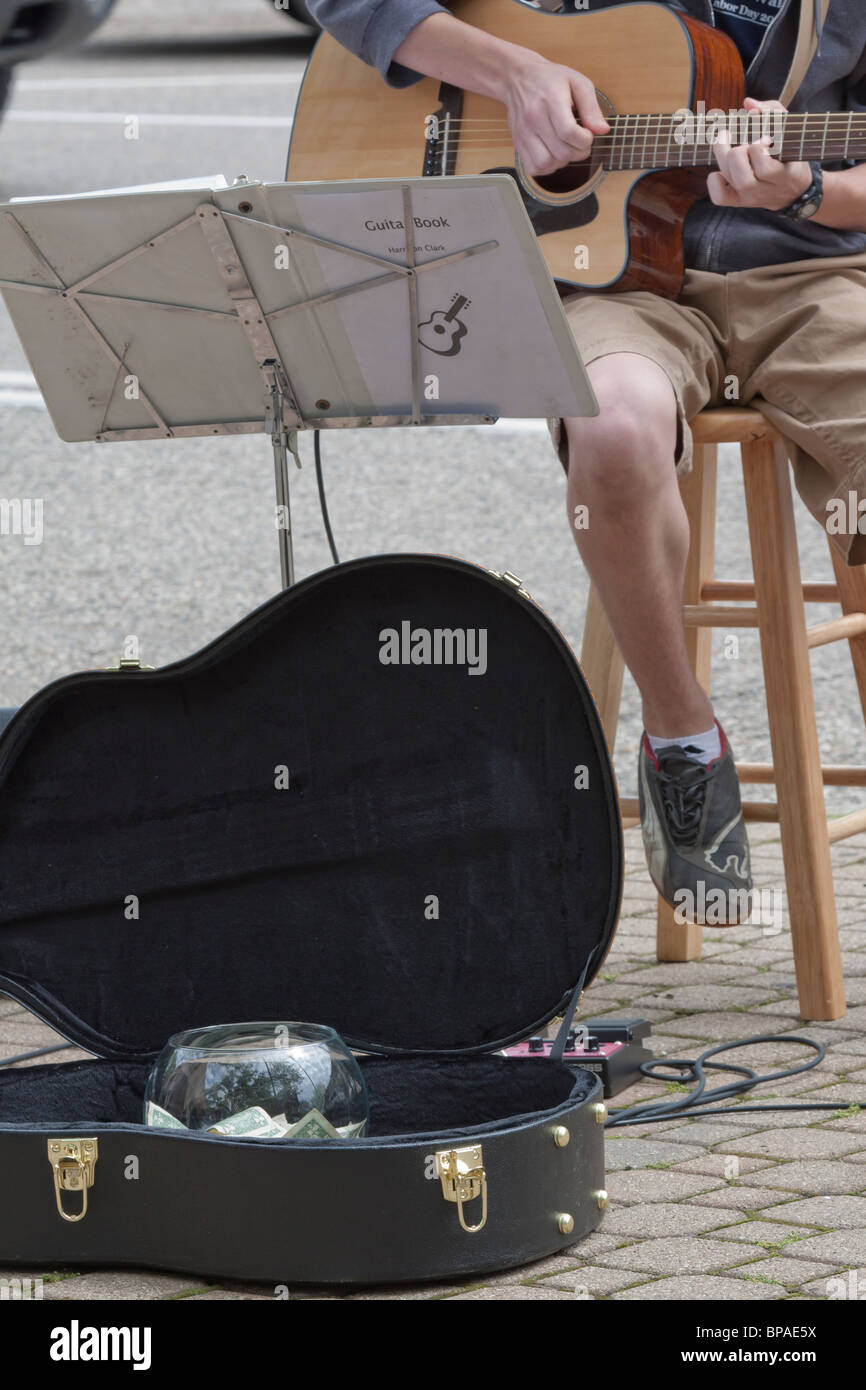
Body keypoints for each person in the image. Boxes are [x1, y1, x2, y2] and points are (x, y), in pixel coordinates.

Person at [304, 0, 866, 921]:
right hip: (612, 273)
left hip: (814, 275)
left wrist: (810, 192)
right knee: (611, 430)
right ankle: (684, 740)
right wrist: (512, 74)